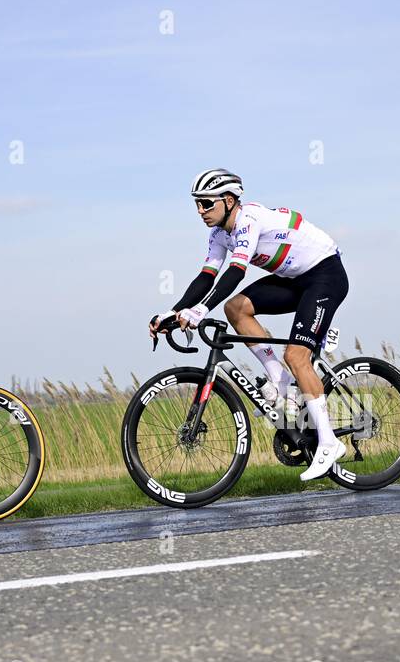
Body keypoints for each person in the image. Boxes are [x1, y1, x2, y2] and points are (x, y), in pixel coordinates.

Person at [150, 169, 350, 480]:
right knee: (236, 308)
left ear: (229, 201)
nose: (200, 211)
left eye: (206, 203)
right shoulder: (218, 234)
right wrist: (173, 314)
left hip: (325, 276)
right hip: (295, 280)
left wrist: (201, 310)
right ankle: (280, 382)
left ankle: (329, 443)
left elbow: (236, 271)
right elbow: (206, 277)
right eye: (197, 205)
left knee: (296, 356)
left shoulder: (248, 220)